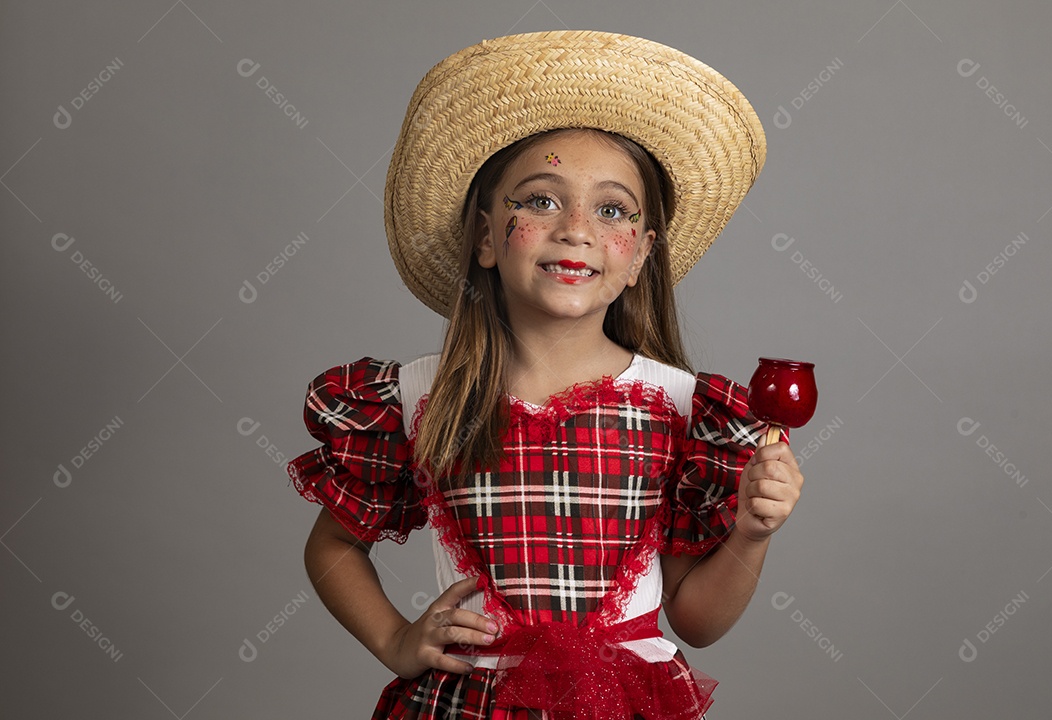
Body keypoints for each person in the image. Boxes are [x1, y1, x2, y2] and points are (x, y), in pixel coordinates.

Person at [286, 30, 804, 720]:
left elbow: (699, 622)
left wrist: (750, 534)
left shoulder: (687, 412)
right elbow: (332, 546)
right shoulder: (413, 400)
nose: (576, 230)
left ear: (642, 255)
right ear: (484, 236)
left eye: (613, 210)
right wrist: (394, 639)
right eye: (539, 200)